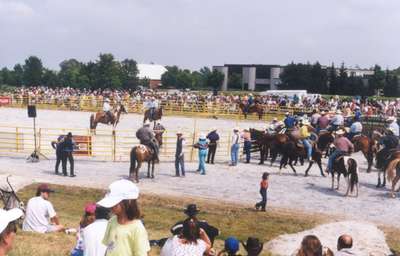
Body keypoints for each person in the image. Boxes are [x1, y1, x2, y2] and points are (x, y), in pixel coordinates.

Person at [98, 179, 150, 256]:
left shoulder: (137, 228)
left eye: (115, 204)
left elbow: (141, 253)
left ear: (128, 202)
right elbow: (109, 248)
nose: (111, 206)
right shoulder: (112, 221)